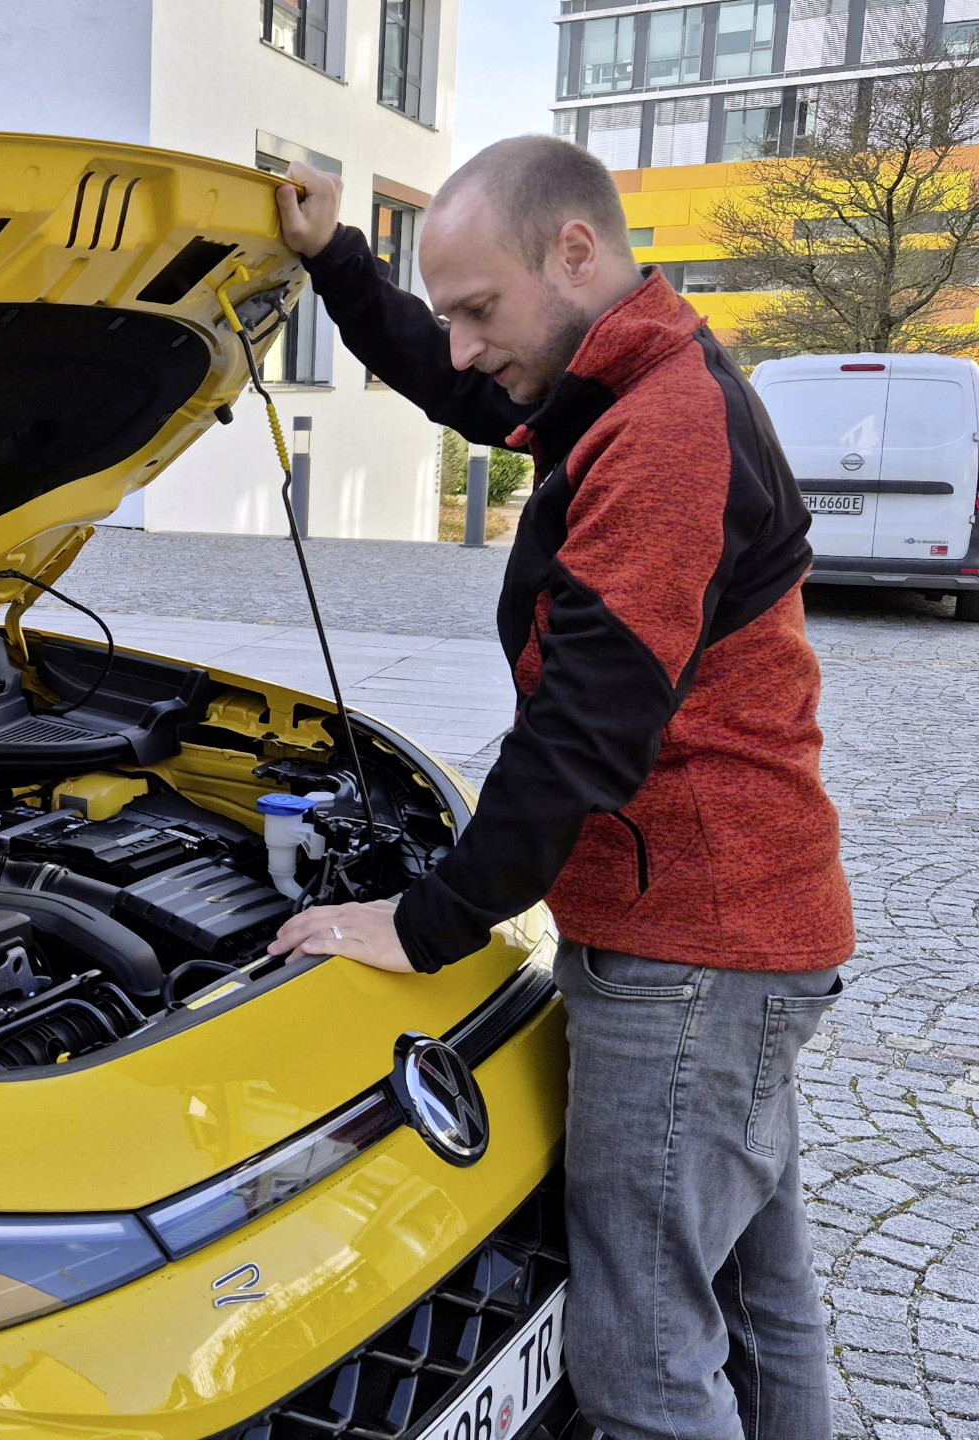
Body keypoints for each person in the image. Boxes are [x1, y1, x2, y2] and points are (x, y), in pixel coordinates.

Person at [263, 137, 854, 1440]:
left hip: (693, 951)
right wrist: (336, 262)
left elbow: (580, 733)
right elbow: (463, 388)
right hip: (743, 933)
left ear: (575, 253)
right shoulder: (618, 377)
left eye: (479, 308)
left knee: (644, 1359)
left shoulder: (665, 431)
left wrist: (424, 921)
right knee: (758, 1304)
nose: (463, 345)